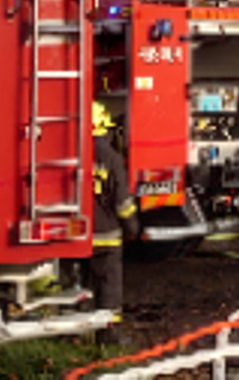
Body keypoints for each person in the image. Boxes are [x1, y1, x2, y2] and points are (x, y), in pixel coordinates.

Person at [89, 102, 138, 318]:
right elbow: (122, 202)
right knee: (109, 287)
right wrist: (132, 228)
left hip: (80, 237)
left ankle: (77, 331)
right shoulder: (112, 158)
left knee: (83, 284)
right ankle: (108, 333)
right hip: (107, 236)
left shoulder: (74, 156)